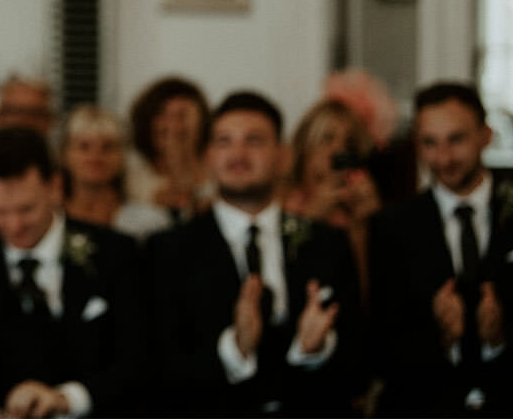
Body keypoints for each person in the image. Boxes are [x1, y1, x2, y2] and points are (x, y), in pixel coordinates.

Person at [147, 91, 361, 416]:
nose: (238, 153)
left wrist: (317, 349)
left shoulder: (327, 242)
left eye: (254, 141)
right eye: (224, 142)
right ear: (208, 156)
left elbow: (361, 356)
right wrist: (235, 349)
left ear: (283, 156)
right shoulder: (167, 249)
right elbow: (157, 369)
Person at [369, 82, 513, 417]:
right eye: (429, 143)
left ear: (485, 135)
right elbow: (381, 345)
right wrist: (444, 340)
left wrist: (500, 339)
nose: (443, 158)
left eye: (456, 139)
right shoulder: (391, 225)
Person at [0, 127, 142, 419]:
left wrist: (67, 398)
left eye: (26, 209)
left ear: (55, 187)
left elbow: (137, 358)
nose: (13, 226)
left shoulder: (116, 252)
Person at [284, 98, 382, 298]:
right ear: (305, 146)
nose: (339, 150)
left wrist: (367, 224)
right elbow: (284, 266)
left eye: (349, 143)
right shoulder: (281, 202)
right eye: (327, 139)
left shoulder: (355, 205)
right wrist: (310, 218)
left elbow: (370, 293)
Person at [59, 105, 170, 242]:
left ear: (123, 156)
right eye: (84, 147)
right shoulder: (49, 219)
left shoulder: (150, 221)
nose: (96, 156)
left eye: (108, 147)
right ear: (64, 155)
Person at [126, 76, 213, 223]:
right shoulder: (131, 175)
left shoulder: (219, 172)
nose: (172, 125)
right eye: (162, 114)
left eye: (182, 115)